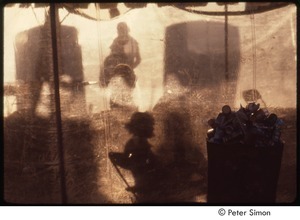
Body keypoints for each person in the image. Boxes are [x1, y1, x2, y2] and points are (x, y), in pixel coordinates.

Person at [109, 112, 163, 202]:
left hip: (147, 185)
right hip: (146, 187)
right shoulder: (137, 144)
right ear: (142, 127)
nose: (152, 128)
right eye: (150, 125)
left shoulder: (140, 142)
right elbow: (136, 164)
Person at [100, 22, 141, 87]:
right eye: (119, 30)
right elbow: (110, 59)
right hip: (116, 74)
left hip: (129, 74)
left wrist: (130, 68)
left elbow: (138, 59)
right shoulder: (115, 42)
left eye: (123, 29)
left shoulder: (133, 42)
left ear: (126, 30)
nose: (121, 32)